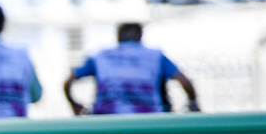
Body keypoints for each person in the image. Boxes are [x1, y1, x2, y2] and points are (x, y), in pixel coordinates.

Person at [65, 22, 199, 116]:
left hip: (106, 118)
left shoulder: (100, 56)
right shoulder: (155, 56)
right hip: (150, 119)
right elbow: (184, 82)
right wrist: (193, 103)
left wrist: (74, 105)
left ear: (118, 36)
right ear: (140, 36)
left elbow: (68, 82)